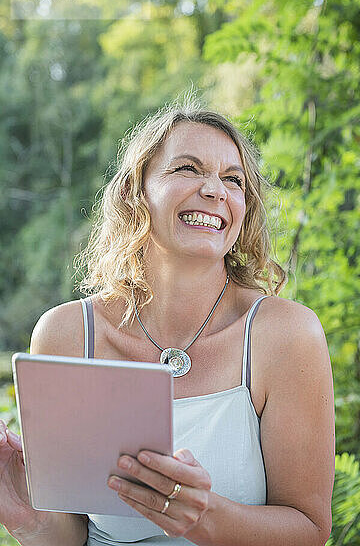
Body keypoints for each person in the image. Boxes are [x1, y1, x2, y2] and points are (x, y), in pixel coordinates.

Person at [0, 97, 335, 546]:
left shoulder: (286, 335)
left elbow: (310, 531)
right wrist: (27, 518)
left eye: (233, 180)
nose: (215, 189)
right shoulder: (66, 335)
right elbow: (72, 536)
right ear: (137, 190)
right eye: (188, 169)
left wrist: (204, 516)